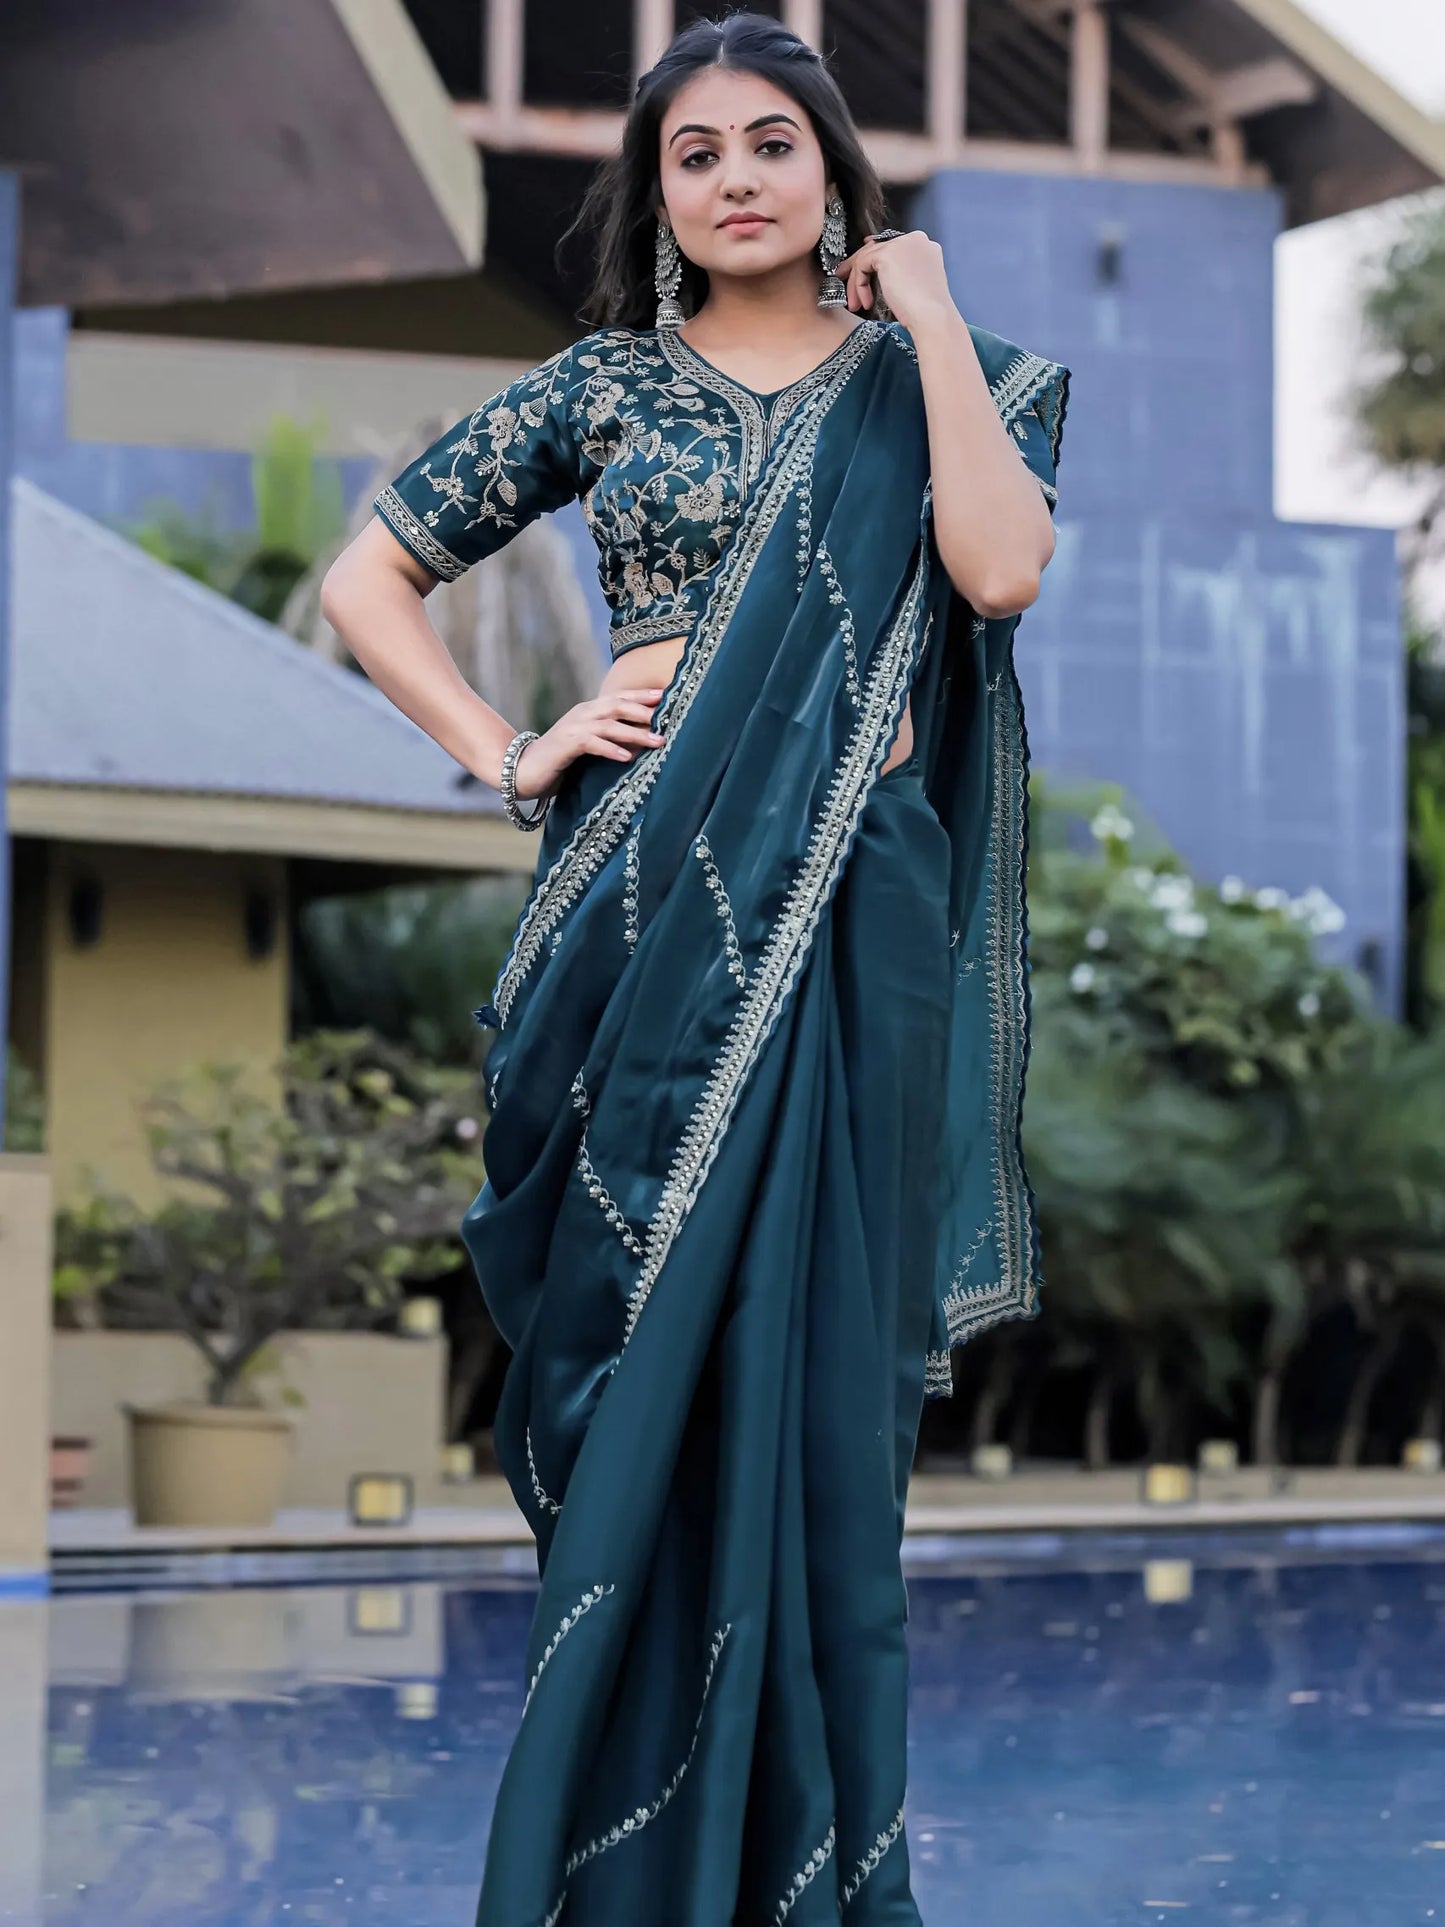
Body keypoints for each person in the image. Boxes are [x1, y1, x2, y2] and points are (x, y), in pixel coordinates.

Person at [321, 12, 1068, 1921]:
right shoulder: (601, 388)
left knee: (814, 1383)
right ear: (658, 195)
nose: (735, 178)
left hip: (853, 920)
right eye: (694, 154)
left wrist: (933, 322)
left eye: (771, 146)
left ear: (834, 175)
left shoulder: (937, 381)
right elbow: (365, 581)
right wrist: (509, 748)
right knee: (627, 1366)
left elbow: (996, 574)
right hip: (643, 905)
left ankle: (807, 1869)